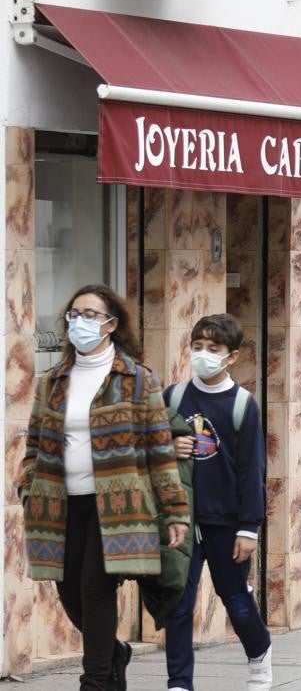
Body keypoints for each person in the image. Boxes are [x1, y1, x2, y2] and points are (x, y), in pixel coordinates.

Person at [18, 284, 190, 691]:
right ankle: (114, 653)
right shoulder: (52, 382)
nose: (80, 321)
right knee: (69, 594)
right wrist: (28, 485)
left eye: (90, 315)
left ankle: (95, 682)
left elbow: (159, 450)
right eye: (74, 314)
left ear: (111, 324)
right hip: (58, 505)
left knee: (95, 589)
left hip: (118, 505)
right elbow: (34, 443)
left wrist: (175, 511)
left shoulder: (136, 380)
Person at [163, 314, 272, 691]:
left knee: (237, 602)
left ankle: (259, 652)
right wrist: (168, 447)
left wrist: (249, 527)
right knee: (178, 603)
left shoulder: (243, 404)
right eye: (197, 347)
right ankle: (179, 683)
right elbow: (149, 449)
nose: (203, 355)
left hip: (227, 522)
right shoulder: (174, 397)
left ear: (232, 356)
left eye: (213, 349)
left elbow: (252, 471)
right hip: (183, 519)